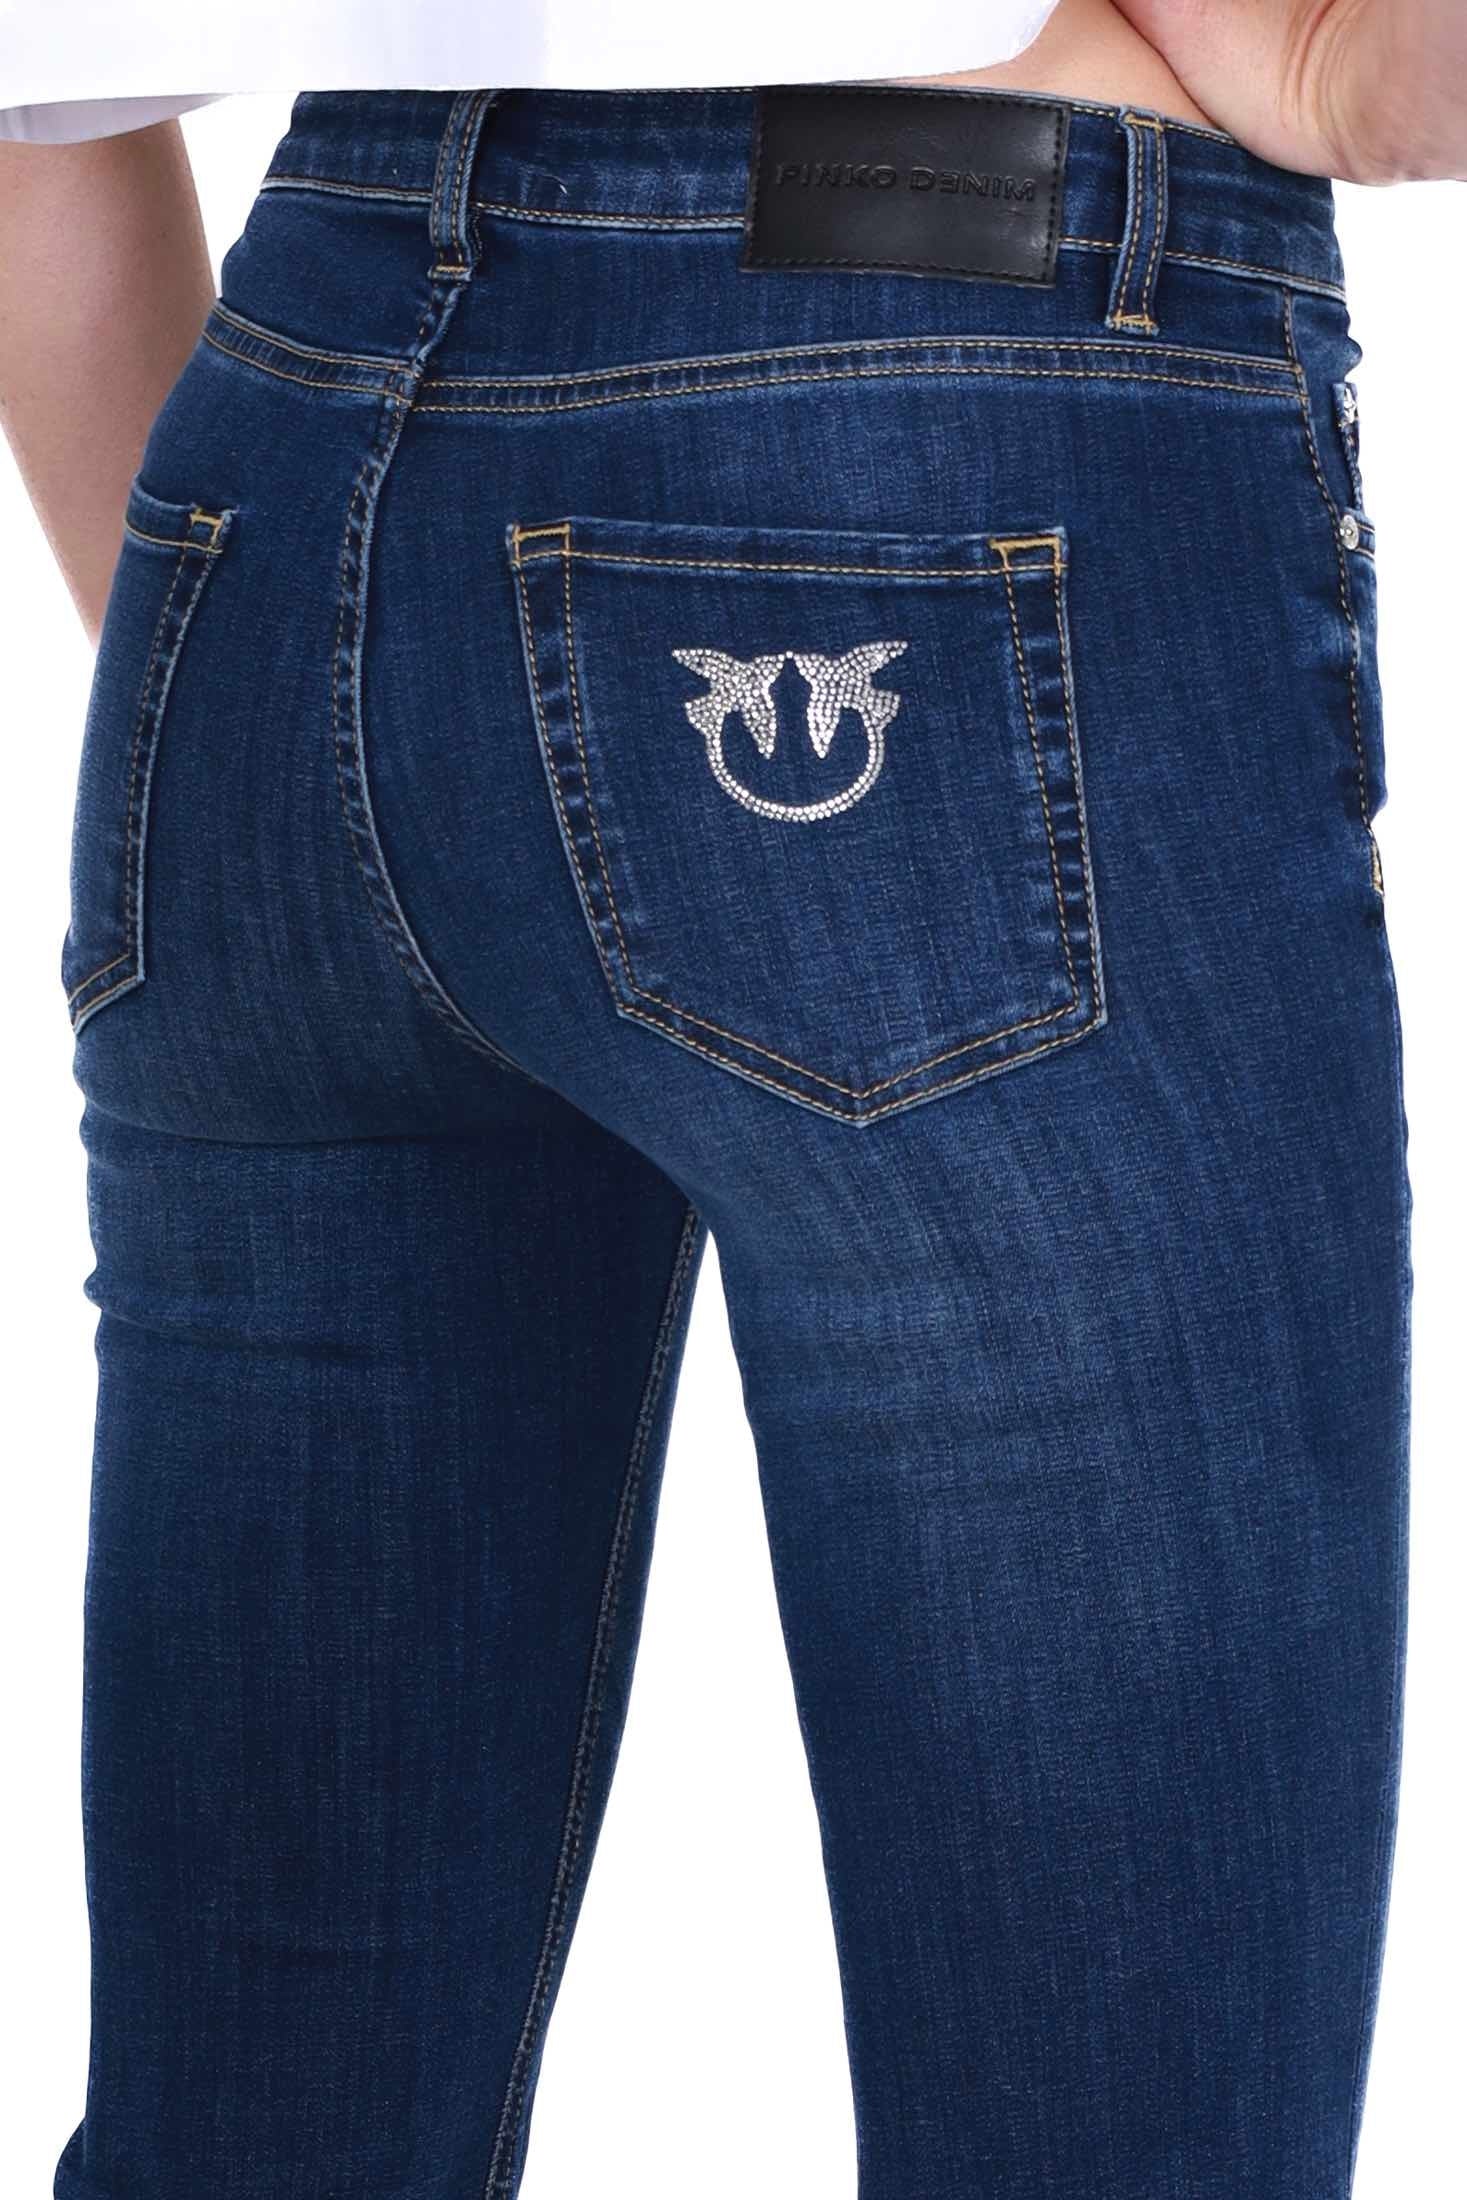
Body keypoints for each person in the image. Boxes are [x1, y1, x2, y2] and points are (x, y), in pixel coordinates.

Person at [1, 4, 1459, 2196]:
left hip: (284, 455)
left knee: (261, 2126)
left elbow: (32, 106)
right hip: (948, 373)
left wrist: (293, 695)